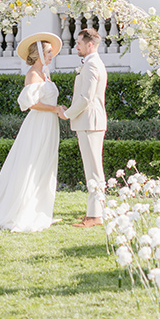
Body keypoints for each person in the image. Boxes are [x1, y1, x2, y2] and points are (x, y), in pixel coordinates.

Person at [0, 32, 65, 232]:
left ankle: (39, 210)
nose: (52, 55)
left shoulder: (46, 74)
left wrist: (59, 109)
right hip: (38, 125)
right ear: (39, 54)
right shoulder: (33, 74)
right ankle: (23, 211)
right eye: (49, 52)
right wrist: (54, 109)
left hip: (50, 124)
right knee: (32, 164)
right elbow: (30, 104)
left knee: (45, 164)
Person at [59, 28, 107, 228]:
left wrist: (66, 113)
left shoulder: (92, 65)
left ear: (89, 44)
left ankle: (95, 216)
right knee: (93, 168)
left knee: (93, 169)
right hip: (90, 122)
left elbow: (85, 98)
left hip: (90, 122)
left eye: (79, 42)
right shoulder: (91, 63)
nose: (76, 45)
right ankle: (96, 211)